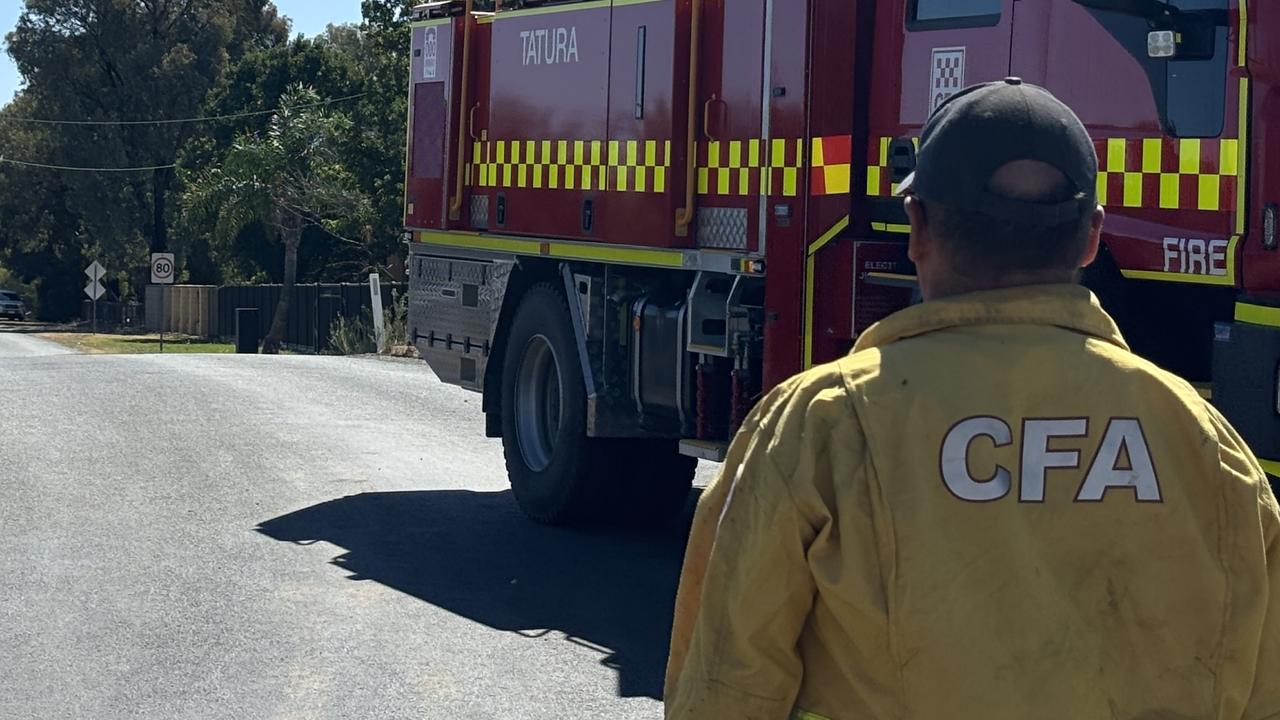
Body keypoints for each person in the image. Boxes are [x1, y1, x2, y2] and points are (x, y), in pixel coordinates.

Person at [664, 79, 1280, 720]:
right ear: (1092, 236)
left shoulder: (819, 426)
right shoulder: (1204, 443)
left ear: (918, 228)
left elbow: (724, 692)